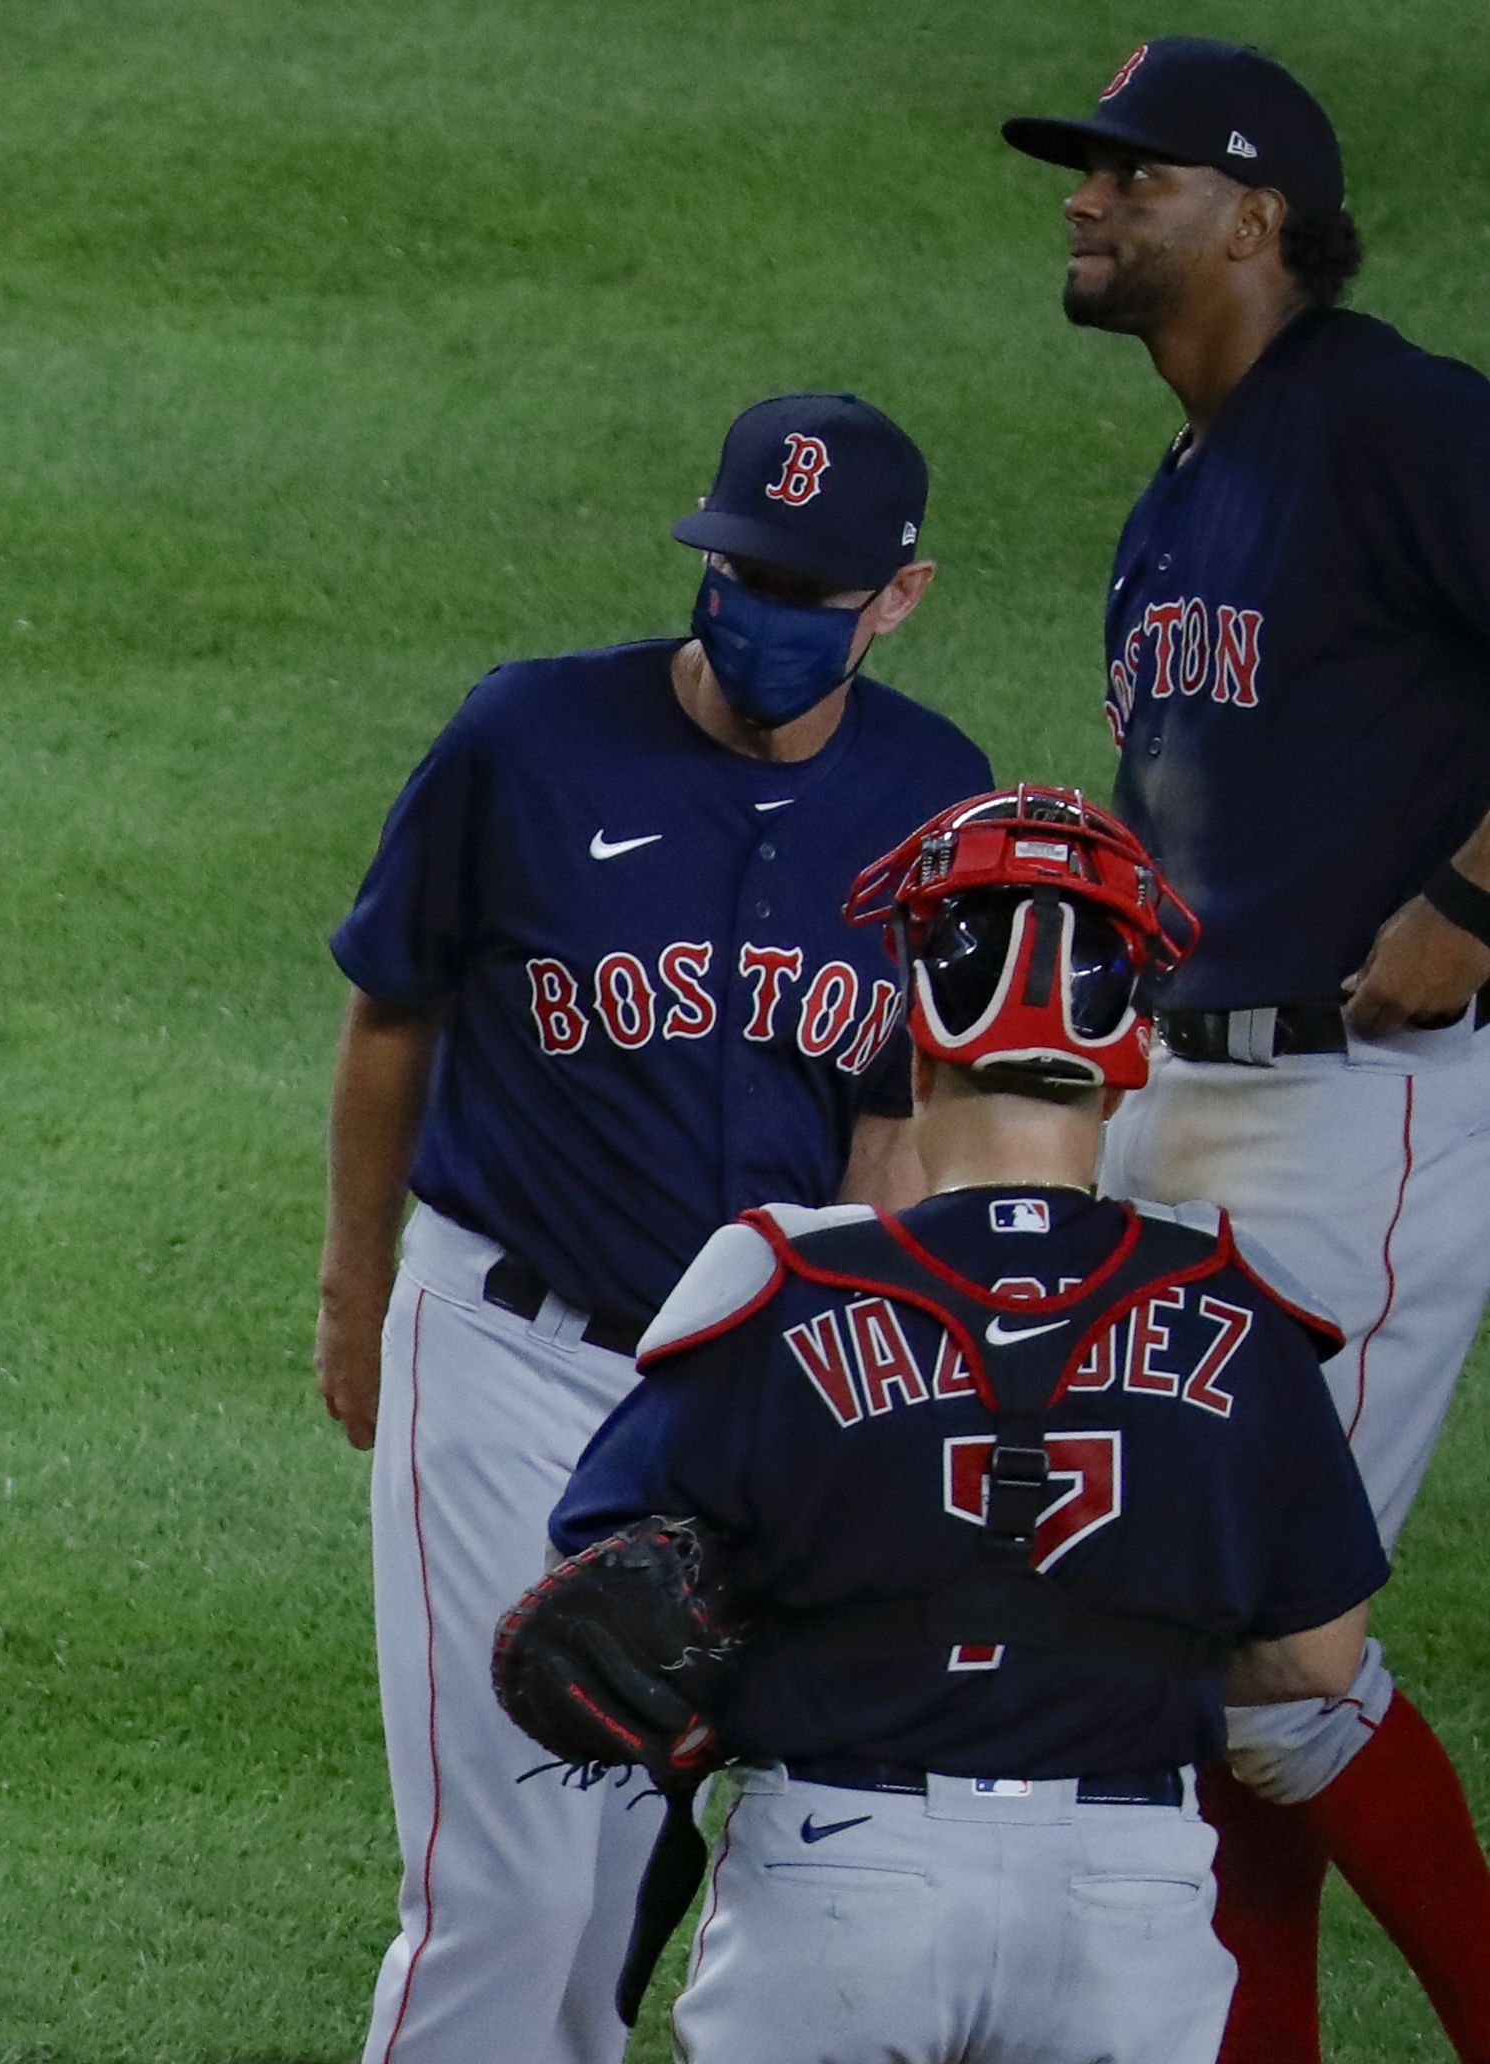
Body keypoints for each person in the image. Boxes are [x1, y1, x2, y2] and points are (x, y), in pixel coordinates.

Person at [315, 393, 992, 2064]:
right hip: (504, 1354)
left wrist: (890, 1356)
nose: (756, 613)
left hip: (756, 1391)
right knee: (504, 1889)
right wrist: (351, 1289)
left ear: (895, 599)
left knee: (625, 1876)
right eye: (737, 567)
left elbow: (897, 1114)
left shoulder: (933, 792)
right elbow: (389, 1010)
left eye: (803, 591)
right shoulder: (527, 740)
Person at [555, 786, 1388, 2064]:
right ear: (1126, 1071)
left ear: (917, 1048)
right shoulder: (1236, 1300)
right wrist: (1103, 1662)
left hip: (846, 1878)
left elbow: (600, 1598)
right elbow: (1321, 1661)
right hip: (1130, 1897)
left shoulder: (775, 1281)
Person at [1003, 39, 1490, 2059]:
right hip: (1189, 1106)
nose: (1085, 198)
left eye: (1136, 172)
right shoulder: (1185, 487)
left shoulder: (1396, 422)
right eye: (1083, 171)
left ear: (1260, 214)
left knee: (1274, 1657)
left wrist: (1472, 904)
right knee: (1166, 1646)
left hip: (1361, 1121)